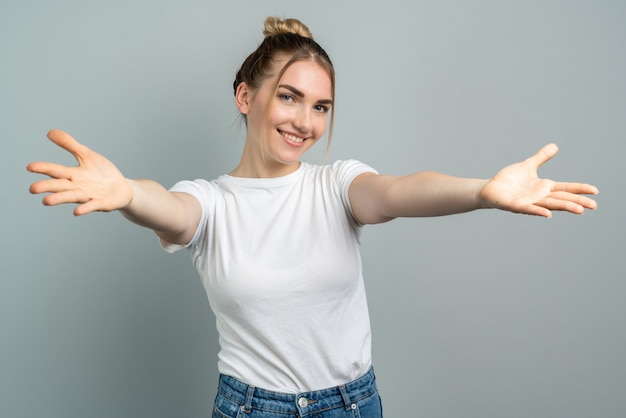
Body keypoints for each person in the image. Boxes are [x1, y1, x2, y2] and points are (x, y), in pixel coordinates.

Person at [27, 16, 598, 418]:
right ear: (245, 96)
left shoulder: (336, 185)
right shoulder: (211, 202)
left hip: (351, 405)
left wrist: (482, 191)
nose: (305, 121)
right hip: (252, 409)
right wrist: (127, 191)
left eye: (320, 106)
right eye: (289, 97)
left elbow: (400, 191)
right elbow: (169, 208)